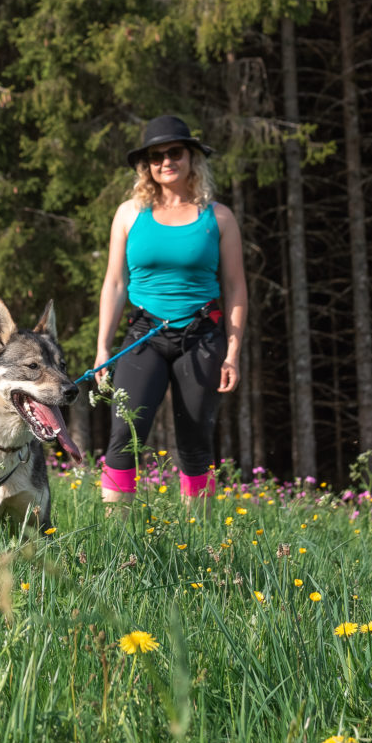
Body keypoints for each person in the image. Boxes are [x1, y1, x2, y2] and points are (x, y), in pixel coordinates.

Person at [95, 115, 247, 504]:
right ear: (146, 165)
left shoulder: (220, 218)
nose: (166, 161)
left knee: (196, 442)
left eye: (174, 152)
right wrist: (103, 349)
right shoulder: (130, 214)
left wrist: (232, 353)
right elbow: (115, 284)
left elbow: (235, 288)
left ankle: (203, 547)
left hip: (201, 338)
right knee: (125, 437)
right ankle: (114, 546)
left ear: (191, 157)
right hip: (144, 334)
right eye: (156, 155)